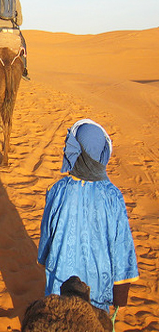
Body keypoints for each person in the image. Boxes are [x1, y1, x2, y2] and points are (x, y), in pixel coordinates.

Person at [37, 119, 139, 312]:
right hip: (98, 282)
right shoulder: (112, 195)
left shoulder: (57, 190)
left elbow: (46, 233)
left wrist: (44, 258)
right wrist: (120, 291)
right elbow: (122, 245)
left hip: (61, 279)